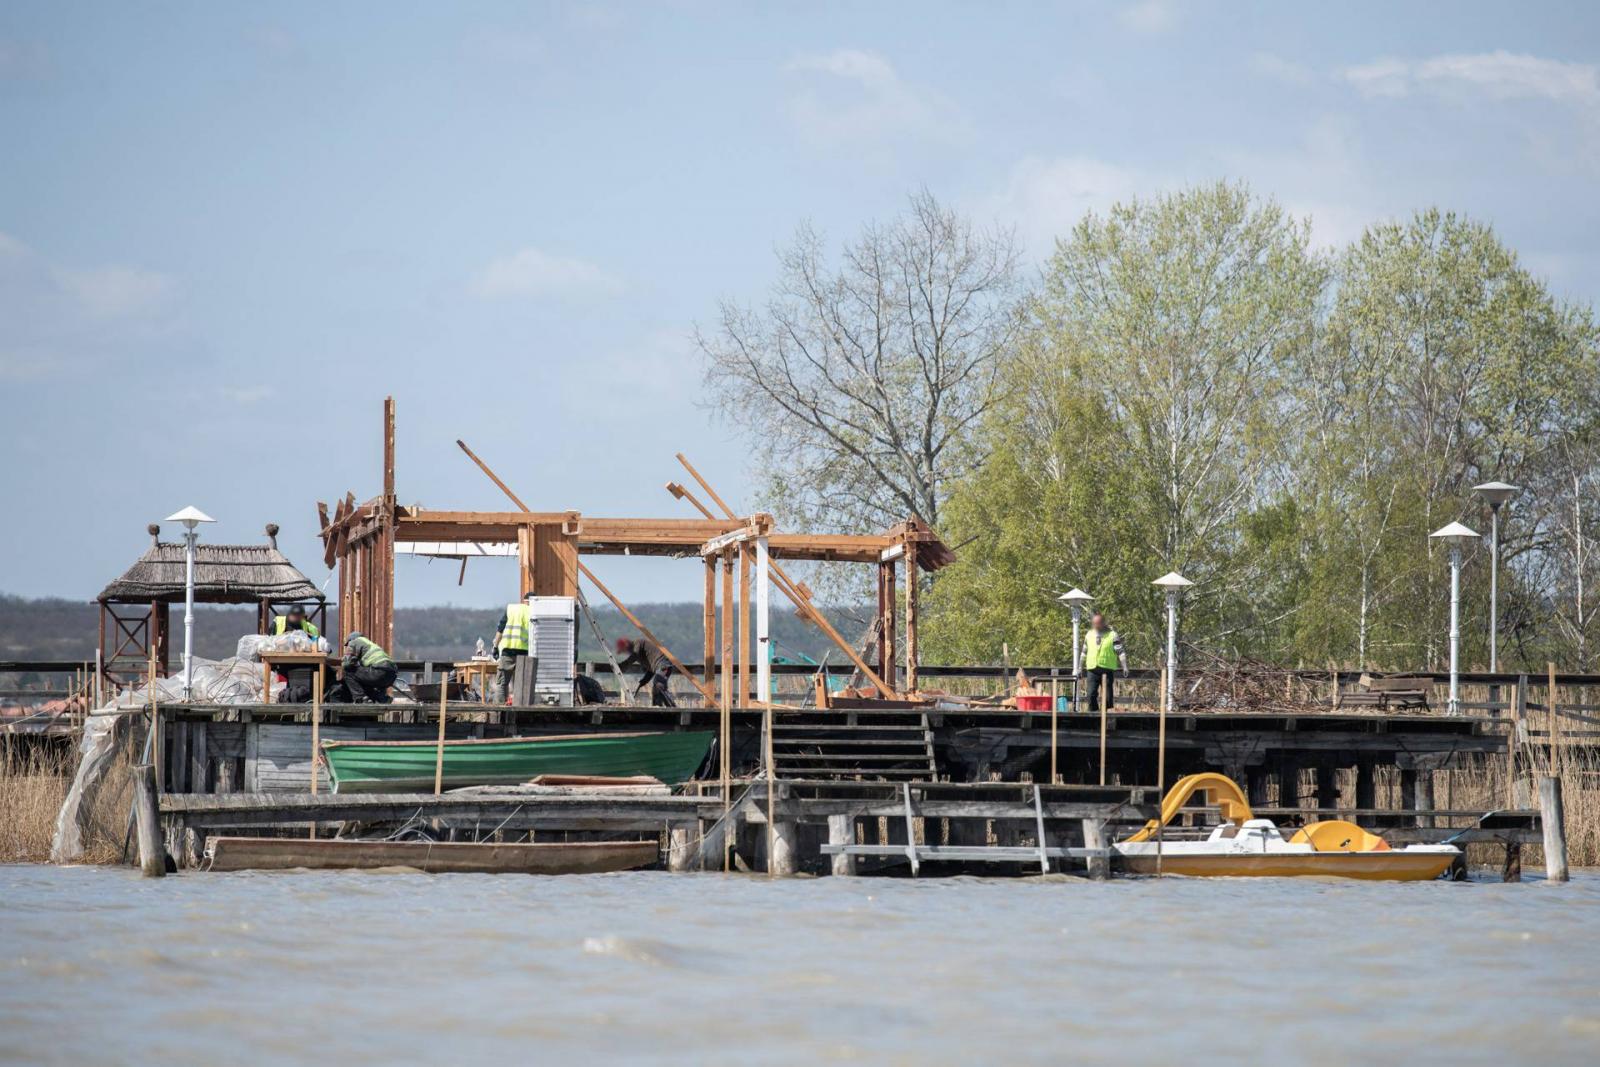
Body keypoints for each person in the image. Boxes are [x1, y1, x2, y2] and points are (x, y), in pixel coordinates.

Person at [491, 593, 536, 704]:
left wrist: (495, 647)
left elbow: (500, 630)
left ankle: (499, 709)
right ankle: (520, 709)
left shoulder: (511, 609)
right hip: (525, 653)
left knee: (502, 682)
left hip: (508, 652)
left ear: (523, 600)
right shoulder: (533, 611)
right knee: (522, 684)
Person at [1081, 612, 1127, 712]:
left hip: (1107, 668)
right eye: (1094, 623)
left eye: (1098, 623)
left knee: (1107, 696)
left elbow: (1120, 651)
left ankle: (1106, 715)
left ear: (1103, 623)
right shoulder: (1089, 634)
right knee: (1090, 694)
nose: (1096, 625)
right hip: (1092, 669)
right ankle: (1094, 714)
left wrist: (1125, 666)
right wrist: (1079, 667)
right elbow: (1084, 652)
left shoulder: (1112, 635)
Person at [616, 636, 675, 707]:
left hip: (663, 665)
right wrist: (644, 680)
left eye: (623, 650)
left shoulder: (638, 643)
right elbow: (651, 670)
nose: (624, 652)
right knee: (656, 689)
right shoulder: (640, 654)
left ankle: (672, 706)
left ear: (627, 645)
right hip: (661, 666)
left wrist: (623, 665)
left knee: (659, 684)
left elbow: (634, 656)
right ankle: (658, 708)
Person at [343, 631, 396, 704]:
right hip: (391, 675)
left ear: (351, 640)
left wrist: (345, 662)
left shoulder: (354, 641)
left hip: (379, 671)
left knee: (348, 671)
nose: (348, 646)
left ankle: (361, 698)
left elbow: (347, 663)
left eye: (347, 644)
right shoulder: (371, 644)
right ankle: (383, 698)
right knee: (368, 678)